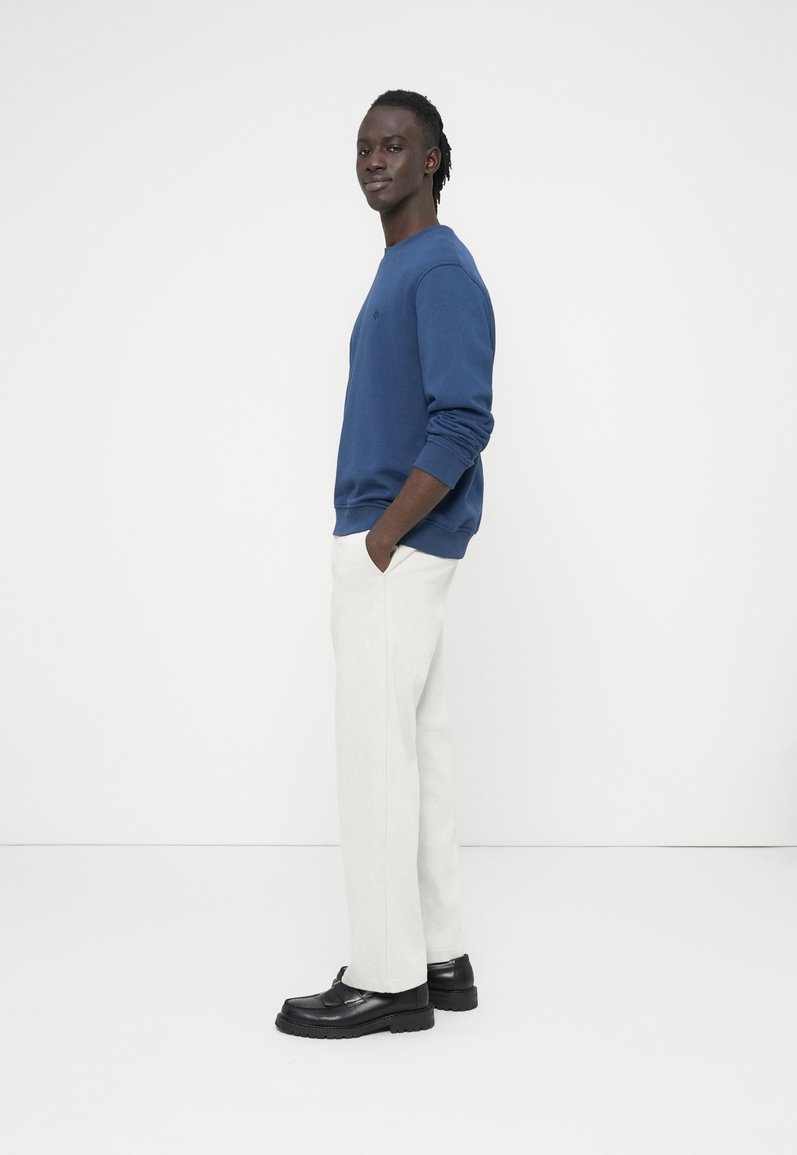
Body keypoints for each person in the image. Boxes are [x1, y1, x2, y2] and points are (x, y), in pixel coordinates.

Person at [275, 89, 495, 1039]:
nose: (374, 160)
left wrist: (382, 536)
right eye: (365, 146)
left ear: (432, 158)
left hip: (395, 546)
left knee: (376, 763)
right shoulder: (404, 264)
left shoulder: (437, 267)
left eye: (394, 146)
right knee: (419, 755)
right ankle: (440, 956)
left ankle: (387, 976)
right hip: (403, 546)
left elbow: (464, 418)